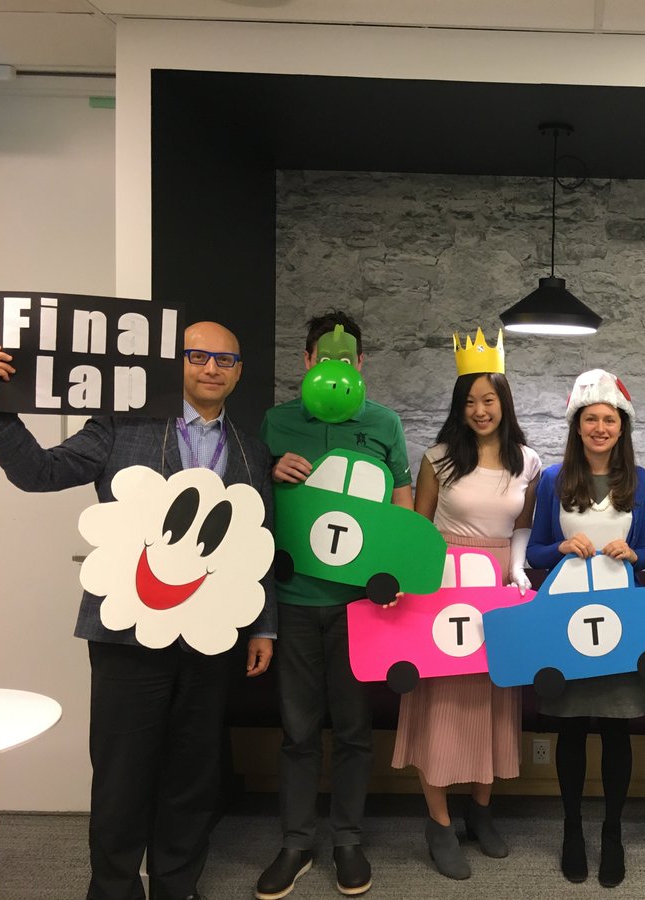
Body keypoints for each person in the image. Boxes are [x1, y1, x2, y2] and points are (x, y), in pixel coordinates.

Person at [0, 323, 275, 900]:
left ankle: (176, 883)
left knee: (192, 773)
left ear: (240, 371)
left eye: (225, 359)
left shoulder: (251, 448)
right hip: (124, 632)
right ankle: (114, 888)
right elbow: (37, 473)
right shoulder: (123, 425)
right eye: (197, 356)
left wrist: (263, 625)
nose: (211, 368)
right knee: (122, 772)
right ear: (178, 363)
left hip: (211, 635)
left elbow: (259, 540)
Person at [257, 310, 412, 899]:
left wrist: (395, 573)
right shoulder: (275, 422)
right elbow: (249, 502)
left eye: (346, 359)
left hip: (359, 610)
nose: (336, 366)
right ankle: (296, 842)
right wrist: (271, 472)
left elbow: (400, 507)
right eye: (325, 357)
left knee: (352, 729)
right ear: (307, 361)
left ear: (361, 364)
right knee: (297, 731)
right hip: (292, 601)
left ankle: (347, 838)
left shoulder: (384, 422)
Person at [391, 331, 541, 880]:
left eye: (489, 399)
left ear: (504, 401)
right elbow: (420, 531)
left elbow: (523, 525)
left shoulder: (529, 461)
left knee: (492, 701)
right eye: (470, 401)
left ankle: (480, 812)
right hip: (447, 588)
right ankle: (438, 820)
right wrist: (415, 587)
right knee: (441, 705)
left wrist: (520, 568)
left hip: (500, 588)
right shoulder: (438, 459)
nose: (480, 410)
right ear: (459, 407)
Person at [526, 368, 645, 888]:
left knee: (616, 728)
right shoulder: (555, 479)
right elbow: (534, 549)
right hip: (564, 616)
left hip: (620, 618)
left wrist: (632, 553)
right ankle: (573, 829)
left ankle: (613, 832)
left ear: (621, 428)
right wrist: (559, 546)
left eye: (609, 420)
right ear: (577, 426)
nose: (600, 428)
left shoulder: (638, 480)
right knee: (572, 728)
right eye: (591, 420)